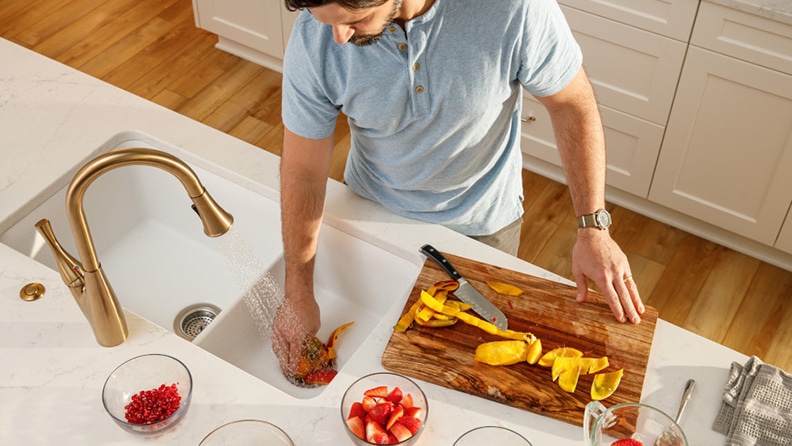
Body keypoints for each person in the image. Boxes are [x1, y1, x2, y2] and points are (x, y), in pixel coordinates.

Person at [273, 0, 645, 377]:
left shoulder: (513, 8)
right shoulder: (315, 35)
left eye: (355, 21)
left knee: (474, 367)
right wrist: (298, 292)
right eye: (329, 22)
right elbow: (303, 171)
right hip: (372, 216)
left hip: (482, 227)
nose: (338, 37)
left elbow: (571, 105)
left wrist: (594, 227)